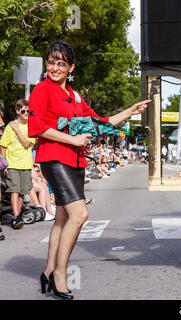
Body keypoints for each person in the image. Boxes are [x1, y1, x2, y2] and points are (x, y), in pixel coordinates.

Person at [28, 40, 150, 300]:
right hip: (54, 159)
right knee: (80, 214)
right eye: (51, 62)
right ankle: (60, 274)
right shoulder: (42, 89)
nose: (55, 67)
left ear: (71, 67)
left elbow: (100, 124)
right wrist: (72, 139)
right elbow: (37, 127)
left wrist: (130, 111)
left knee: (62, 218)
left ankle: (48, 270)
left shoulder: (74, 96)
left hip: (75, 161)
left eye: (61, 63)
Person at [0, 99, 36, 230]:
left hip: (26, 164)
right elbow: (3, 147)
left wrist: (18, 130)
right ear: (17, 111)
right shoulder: (10, 127)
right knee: (14, 190)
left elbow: (27, 144)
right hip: (13, 164)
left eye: (28, 111)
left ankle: (17, 216)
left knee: (22, 192)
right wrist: (4, 165)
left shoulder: (32, 126)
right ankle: (16, 217)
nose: (26, 113)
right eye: (23, 111)